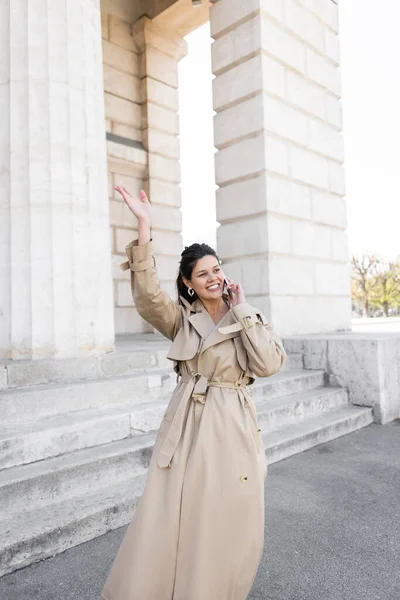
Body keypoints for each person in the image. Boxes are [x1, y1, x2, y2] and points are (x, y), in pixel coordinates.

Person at [101, 186, 287, 600]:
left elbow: (269, 364)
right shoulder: (181, 320)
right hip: (189, 422)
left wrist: (242, 310)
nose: (214, 278)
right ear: (188, 283)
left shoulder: (246, 315)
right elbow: (149, 297)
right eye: (203, 274)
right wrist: (144, 224)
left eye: (216, 269)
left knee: (232, 515)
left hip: (234, 425)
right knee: (176, 515)